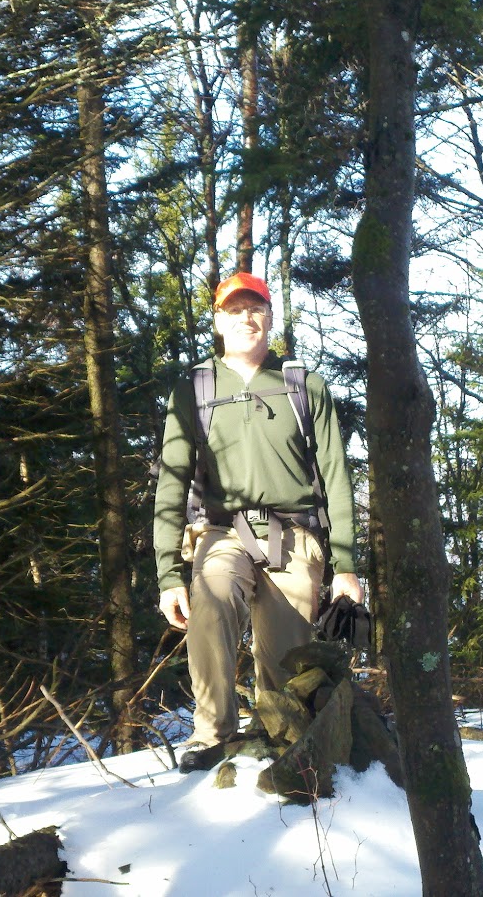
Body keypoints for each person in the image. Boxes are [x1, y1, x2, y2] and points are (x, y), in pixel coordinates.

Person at [153, 271, 363, 773]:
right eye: (234, 310)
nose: (246, 318)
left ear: (270, 317)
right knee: (212, 594)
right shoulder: (195, 389)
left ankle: (281, 737)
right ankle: (211, 736)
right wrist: (168, 576)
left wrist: (347, 566)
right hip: (222, 531)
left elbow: (336, 475)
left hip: (295, 536)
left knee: (287, 659)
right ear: (218, 320)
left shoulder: (303, 385)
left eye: (256, 309)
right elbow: (171, 482)